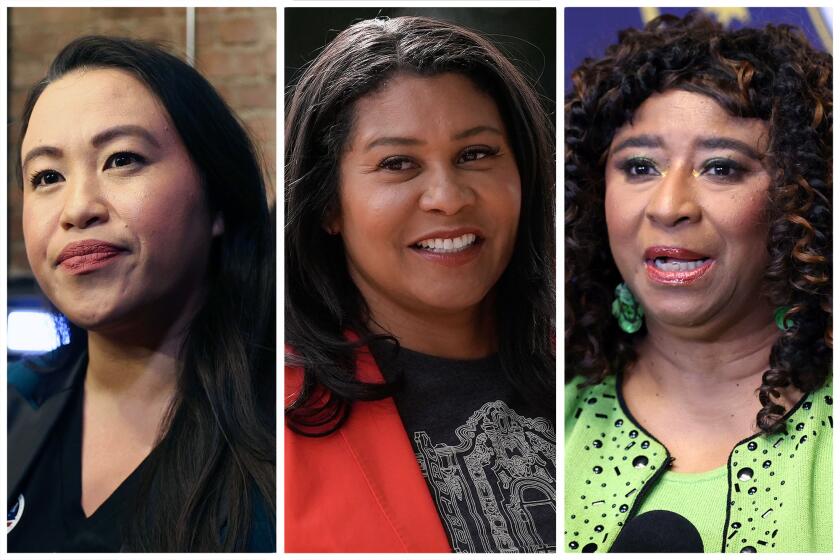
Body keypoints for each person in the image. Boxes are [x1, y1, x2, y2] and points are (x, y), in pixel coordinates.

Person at [285, 15, 556, 553]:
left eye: (475, 154)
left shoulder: (599, 371)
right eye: (398, 163)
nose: (448, 197)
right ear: (328, 205)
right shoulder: (270, 422)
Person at [565, 12, 831, 553]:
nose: (669, 206)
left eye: (721, 168)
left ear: (797, 201)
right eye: (640, 166)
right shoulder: (549, 414)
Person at [7, 36, 275, 552]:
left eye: (121, 159)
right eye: (46, 176)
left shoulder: (288, 432)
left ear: (217, 199)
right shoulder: (15, 403)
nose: (77, 208)